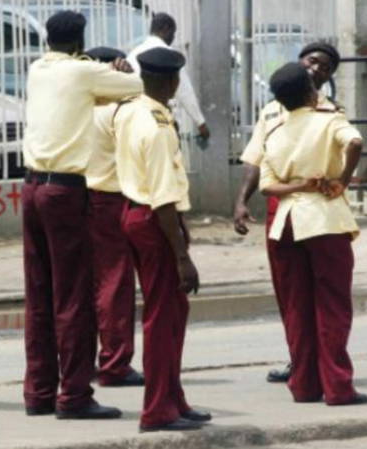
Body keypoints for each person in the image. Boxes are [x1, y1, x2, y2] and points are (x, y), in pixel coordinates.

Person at [21, 11, 143, 419]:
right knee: (73, 298)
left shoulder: (37, 69)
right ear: (79, 42)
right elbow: (138, 86)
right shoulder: (82, 71)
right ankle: (74, 395)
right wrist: (118, 70)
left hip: (32, 187)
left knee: (39, 295)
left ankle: (39, 392)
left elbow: (83, 92)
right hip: (65, 190)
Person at [233, 41, 343, 383]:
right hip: (279, 206)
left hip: (317, 208)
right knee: (291, 291)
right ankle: (300, 363)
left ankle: (327, 367)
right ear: (299, 61)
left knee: (325, 292)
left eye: (325, 67)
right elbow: (255, 158)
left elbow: (346, 152)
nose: (317, 68)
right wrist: (241, 200)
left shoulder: (331, 112)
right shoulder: (271, 110)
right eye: (312, 60)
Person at [260, 62, 367, 406]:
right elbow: (355, 141)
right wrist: (343, 179)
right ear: (311, 92)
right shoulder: (329, 119)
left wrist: (298, 185)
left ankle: (304, 384)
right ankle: (338, 387)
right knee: (332, 305)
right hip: (323, 219)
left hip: (285, 221)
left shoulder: (273, 131)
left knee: (297, 307)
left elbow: (267, 186)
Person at [115, 47, 211, 432]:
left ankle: (173, 398)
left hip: (139, 213)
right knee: (162, 317)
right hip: (155, 219)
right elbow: (163, 196)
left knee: (172, 312)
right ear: (170, 81)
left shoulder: (131, 109)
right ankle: (157, 409)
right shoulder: (156, 126)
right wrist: (182, 257)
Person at [83, 46, 144, 388]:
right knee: (115, 284)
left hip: (78, 196)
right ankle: (115, 362)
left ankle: (83, 360)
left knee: (85, 285)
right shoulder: (117, 111)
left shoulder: (76, 106)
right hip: (110, 198)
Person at [127, 12, 210, 141]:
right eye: (173, 33)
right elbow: (185, 91)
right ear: (166, 29)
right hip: (160, 120)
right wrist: (200, 123)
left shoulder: (133, 54)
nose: (173, 38)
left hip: (133, 120)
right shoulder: (168, 56)